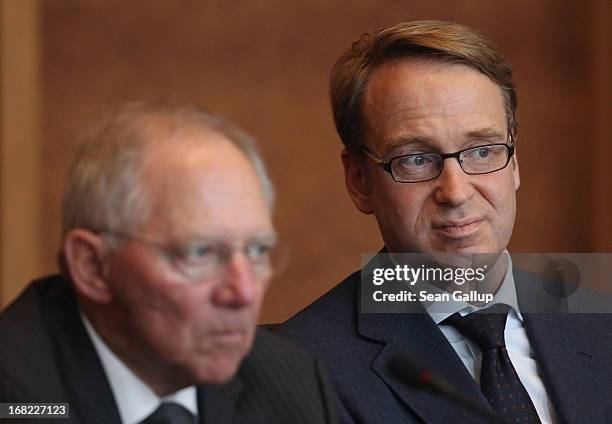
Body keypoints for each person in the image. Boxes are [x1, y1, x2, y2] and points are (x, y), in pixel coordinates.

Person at [279, 20, 612, 424]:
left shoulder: (603, 325)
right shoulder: (298, 378)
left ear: (515, 163)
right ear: (360, 181)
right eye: (416, 159)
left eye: (482, 151)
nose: (455, 192)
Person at [0, 103, 336, 424]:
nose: (244, 292)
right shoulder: (19, 398)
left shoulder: (291, 385)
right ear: (92, 266)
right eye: (199, 253)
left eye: (256, 251)